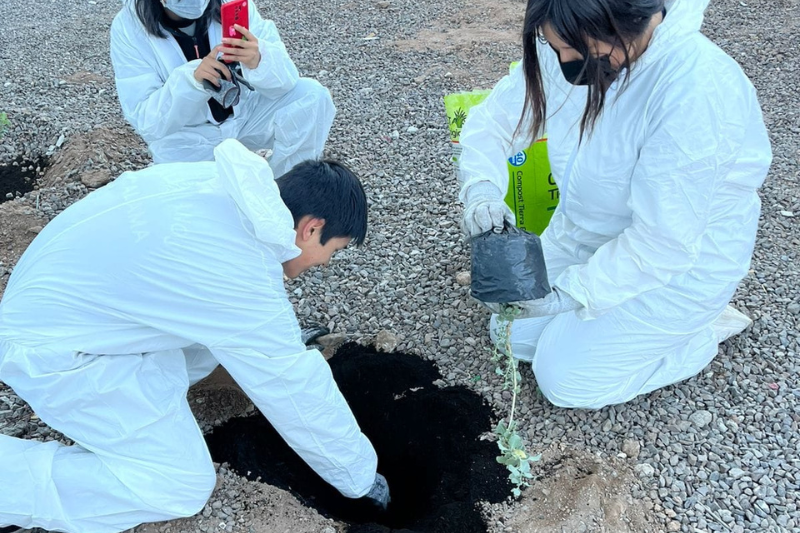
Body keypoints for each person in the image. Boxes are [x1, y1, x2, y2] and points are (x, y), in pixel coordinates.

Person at [0, 139, 389, 533]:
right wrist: (360, 480)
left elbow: (232, 316)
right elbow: (295, 389)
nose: (324, 262)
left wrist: (278, 339)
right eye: (334, 250)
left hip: (60, 308)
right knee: (179, 484)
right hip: (56, 352)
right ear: (312, 228)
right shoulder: (240, 272)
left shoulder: (218, 187)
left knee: (222, 346)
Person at [459, 0, 771, 409]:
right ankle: (611, 330)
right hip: (587, 234)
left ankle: (699, 332)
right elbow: (497, 119)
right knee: (512, 334)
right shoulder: (571, 38)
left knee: (566, 381)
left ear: (626, 23)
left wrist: (571, 294)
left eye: (576, 49)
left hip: (680, 264)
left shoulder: (696, 88)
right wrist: (481, 187)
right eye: (554, 48)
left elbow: (662, 240)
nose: (564, 61)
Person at [110, 0, 335, 175]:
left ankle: (285, 188)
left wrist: (259, 59)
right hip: (186, 139)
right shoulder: (129, 28)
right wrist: (191, 81)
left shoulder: (233, 5)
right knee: (206, 217)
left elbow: (286, 81)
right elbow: (147, 121)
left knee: (311, 97)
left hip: (245, 117)